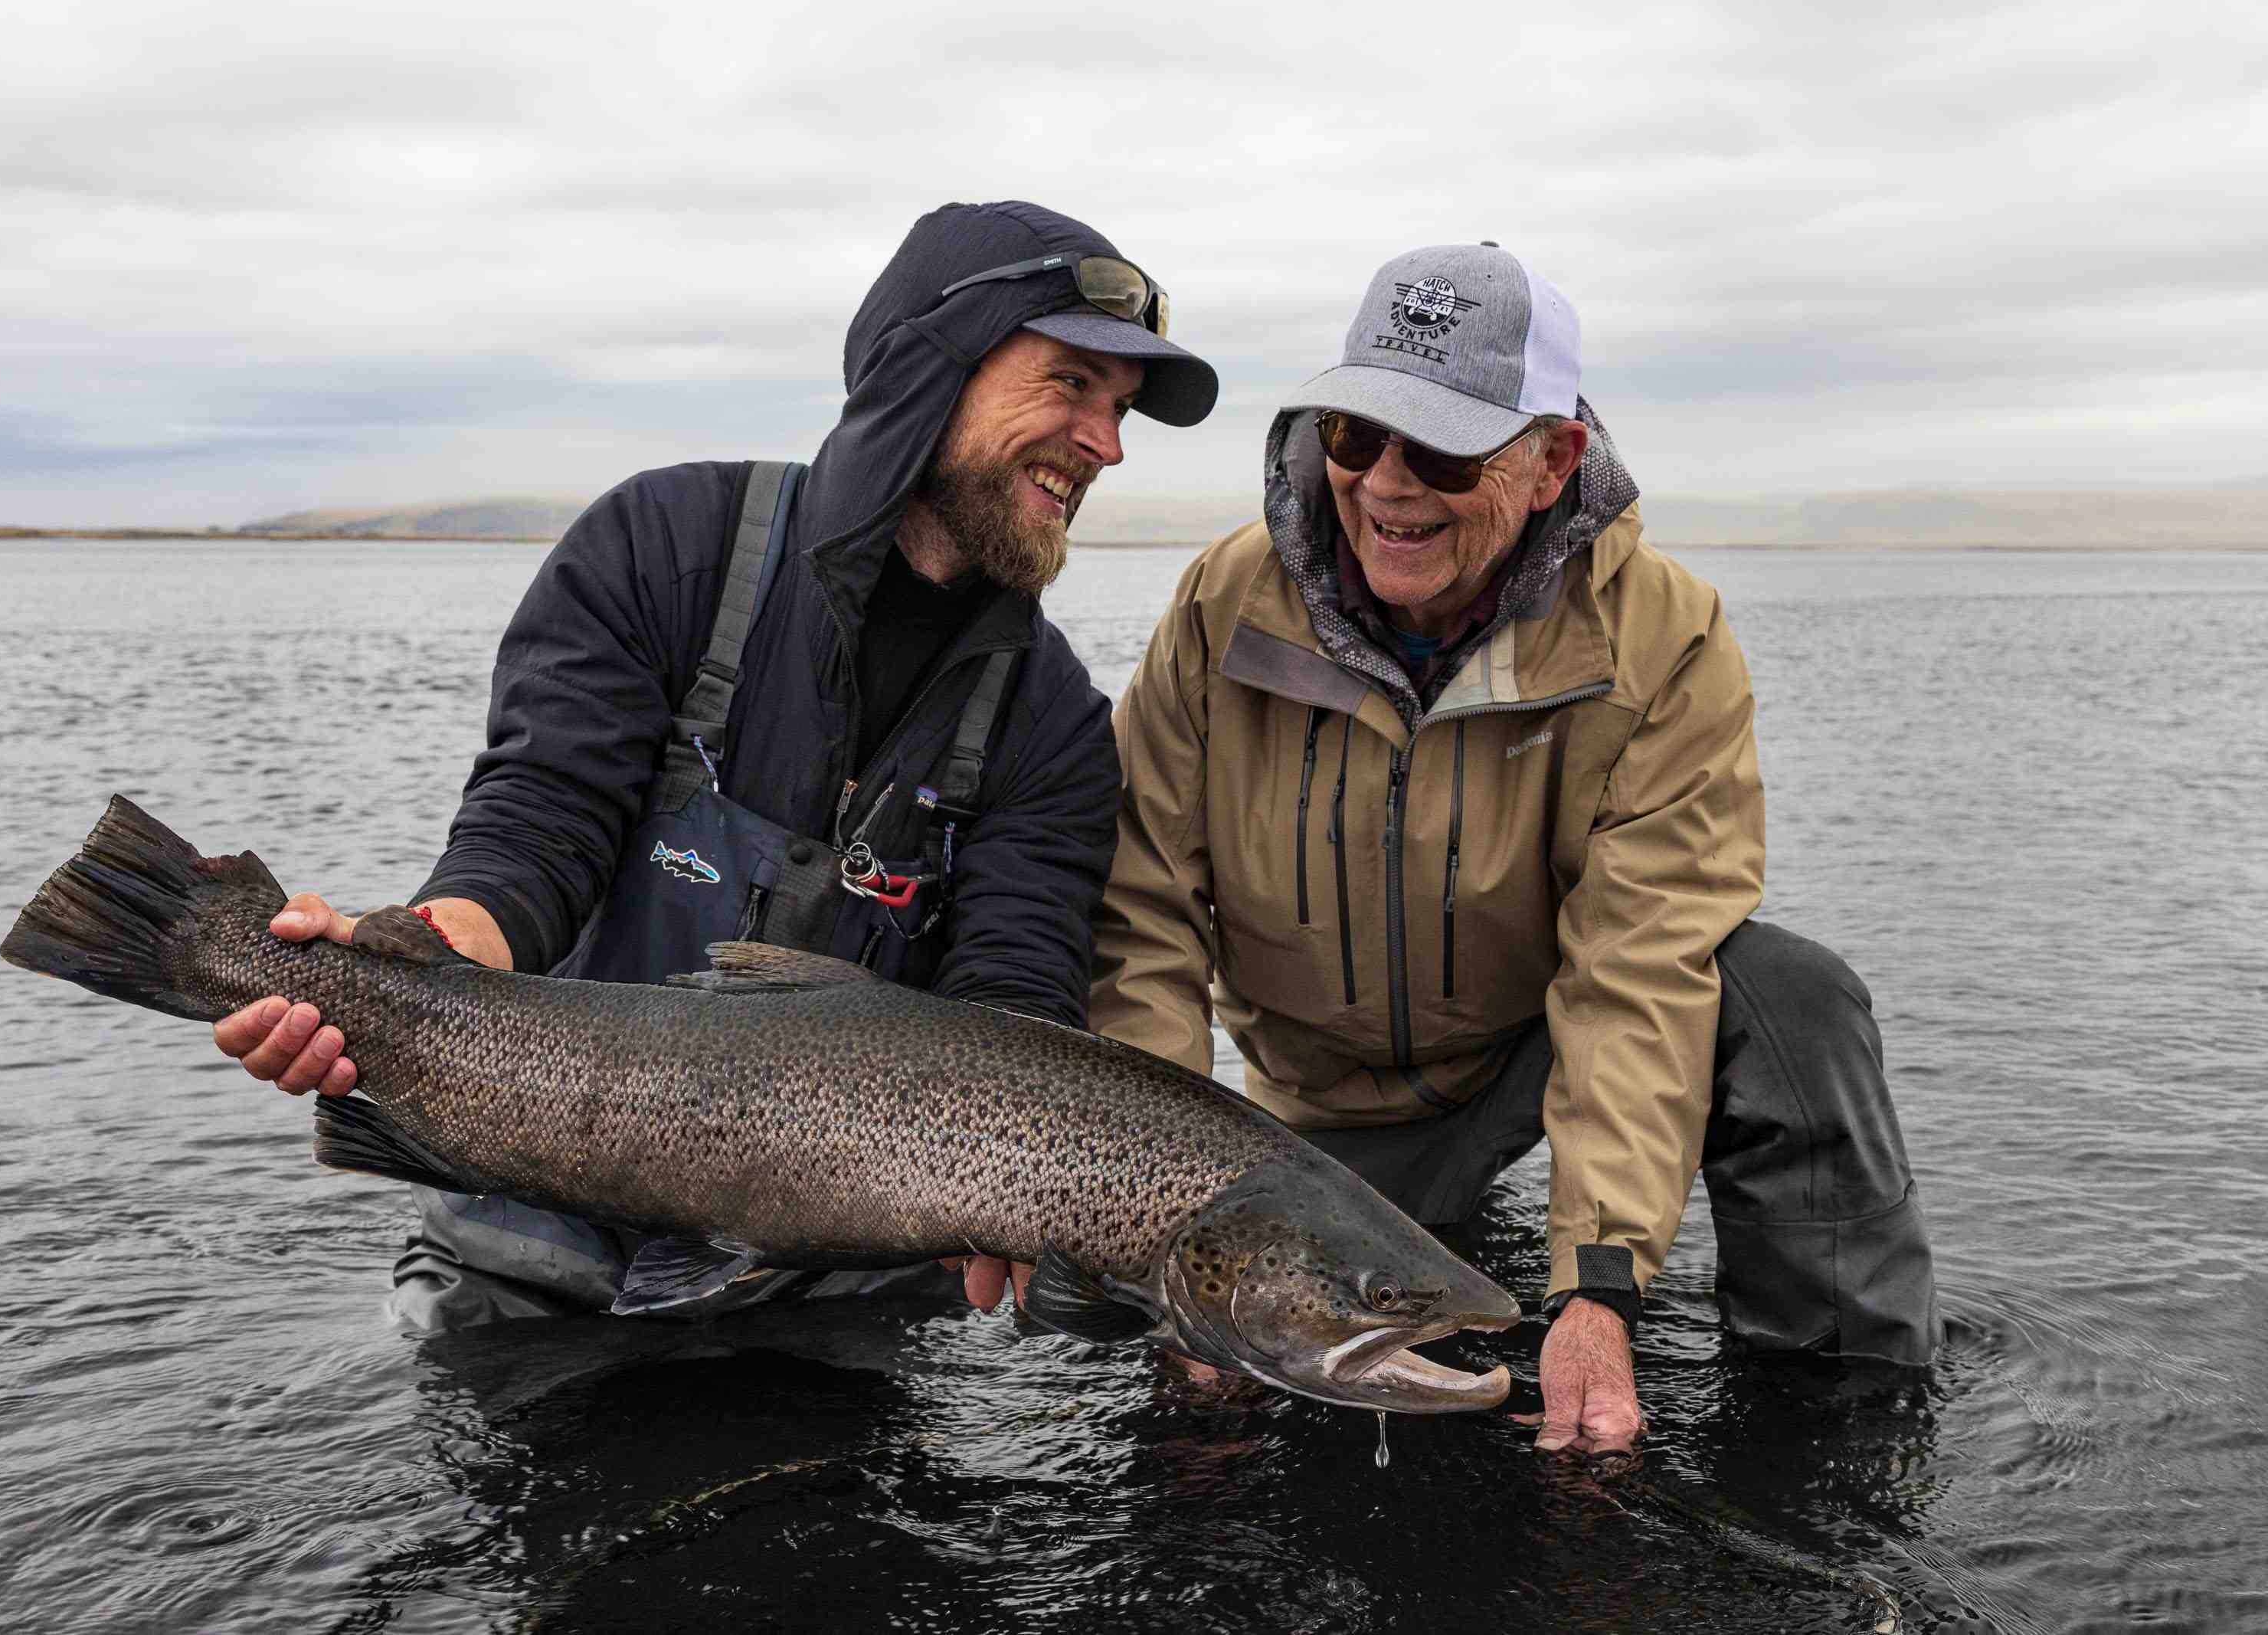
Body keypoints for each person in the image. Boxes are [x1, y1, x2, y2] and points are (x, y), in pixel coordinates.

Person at [211, 200, 1219, 1331]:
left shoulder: (1055, 722)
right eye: (1072, 384)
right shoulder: (665, 546)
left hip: (826, 1303)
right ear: (928, 367)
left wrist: (1040, 1212)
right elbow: (541, 825)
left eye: (1122, 410)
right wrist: (429, 952)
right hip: (531, 1253)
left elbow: (1013, 1004)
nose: (1108, 445)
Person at [1085, 243, 1940, 1453]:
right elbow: (1142, 918)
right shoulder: (1222, 609)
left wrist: (1595, 1287)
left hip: (1528, 1052)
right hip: (1317, 1118)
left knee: (1787, 995)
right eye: (1352, 433)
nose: (1386, 485)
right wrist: (1168, 1233)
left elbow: (1638, 970)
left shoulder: (1666, 639)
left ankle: (1843, 1419)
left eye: (1440, 451)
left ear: (1553, 463)